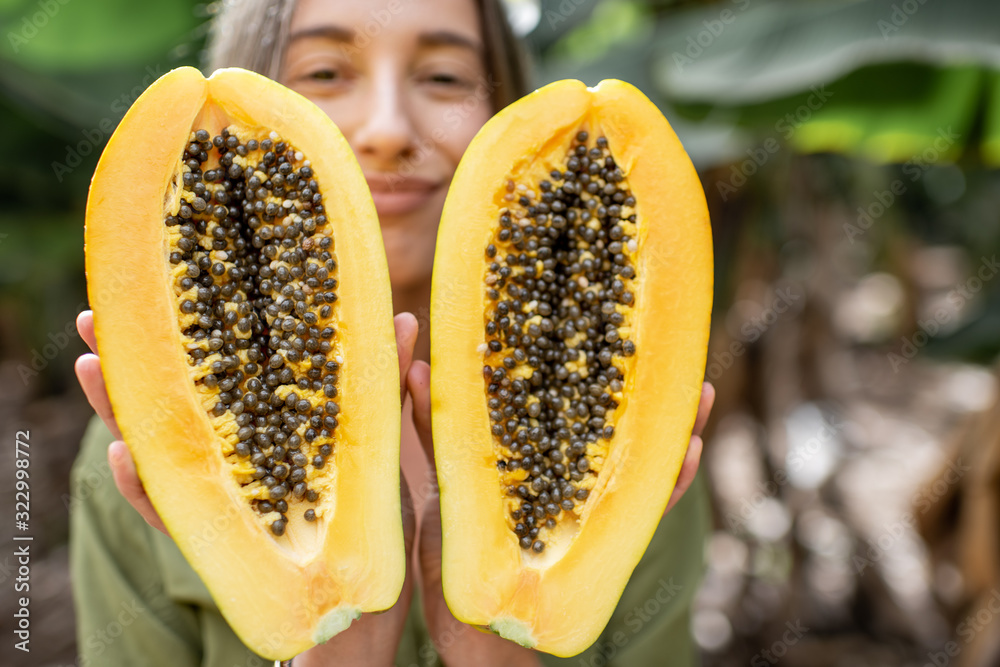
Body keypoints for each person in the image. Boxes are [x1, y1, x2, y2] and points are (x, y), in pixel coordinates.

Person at [70, 0, 716, 664]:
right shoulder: (131, 456)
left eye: (443, 78)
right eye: (324, 72)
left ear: (510, 111)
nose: (387, 129)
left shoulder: (637, 447)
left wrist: (493, 653)